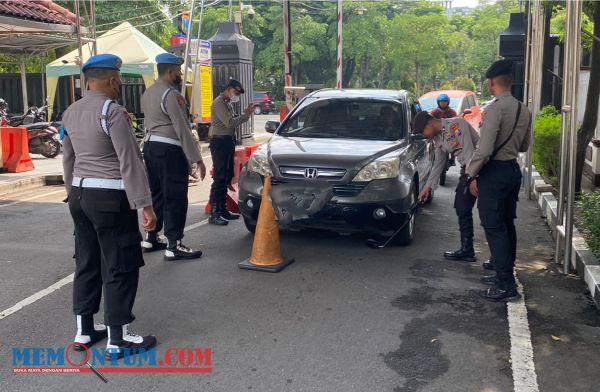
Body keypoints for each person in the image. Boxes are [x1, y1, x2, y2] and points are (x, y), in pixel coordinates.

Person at [62, 54, 157, 358]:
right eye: (117, 79)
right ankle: (118, 339)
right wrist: (144, 204)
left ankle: (85, 330)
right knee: (120, 264)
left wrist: (72, 194)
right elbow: (129, 160)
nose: (118, 84)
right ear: (112, 79)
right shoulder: (112, 112)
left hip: (78, 195)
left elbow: (69, 160)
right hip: (109, 197)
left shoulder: (71, 111)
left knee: (87, 261)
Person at [466, 59, 531, 302]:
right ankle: (505, 275)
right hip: (512, 170)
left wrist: (470, 174)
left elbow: (484, 149)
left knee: (494, 227)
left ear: (492, 83)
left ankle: (505, 284)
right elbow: (524, 145)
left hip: (494, 173)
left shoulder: (494, 109)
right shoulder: (523, 109)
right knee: (506, 224)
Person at [141, 53, 206, 261]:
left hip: (150, 148)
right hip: (169, 150)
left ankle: (151, 237)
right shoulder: (171, 95)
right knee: (175, 196)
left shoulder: (148, 92)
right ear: (170, 72)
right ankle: (174, 244)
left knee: (157, 194)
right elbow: (182, 128)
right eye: (178, 71)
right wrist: (197, 158)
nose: (180, 74)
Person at [413, 111, 480, 262]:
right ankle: (467, 249)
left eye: (423, 131)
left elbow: (470, 152)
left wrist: (474, 177)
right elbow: (438, 164)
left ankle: (498, 260)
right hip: (467, 171)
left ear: (430, 123)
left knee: (489, 215)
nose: (424, 135)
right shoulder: (438, 138)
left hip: (480, 169)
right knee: (462, 207)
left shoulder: (456, 124)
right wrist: (427, 187)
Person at [208, 79, 253, 226]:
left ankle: (223, 209)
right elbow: (230, 123)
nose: (236, 96)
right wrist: (246, 115)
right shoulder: (219, 103)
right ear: (228, 89)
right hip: (220, 142)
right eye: (235, 93)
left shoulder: (227, 102)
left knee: (226, 176)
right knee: (220, 177)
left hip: (227, 141)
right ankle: (215, 212)